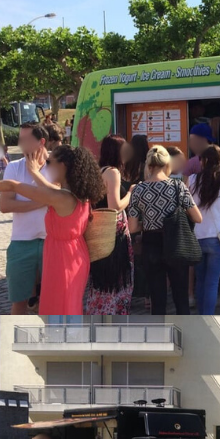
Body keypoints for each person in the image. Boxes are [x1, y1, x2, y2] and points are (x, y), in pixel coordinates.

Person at [0, 145, 99, 315]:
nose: (47, 166)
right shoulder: (77, 193)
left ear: (63, 166)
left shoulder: (60, 197)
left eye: (50, 161)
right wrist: (35, 172)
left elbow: (13, 186)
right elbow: (48, 189)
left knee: (59, 306)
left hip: (62, 257)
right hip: (74, 253)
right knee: (69, 304)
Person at [127, 146, 202, 315]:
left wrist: (147, 223)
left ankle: (159, 338)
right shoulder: (178, 186)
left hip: (151, 244)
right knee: (181, 298)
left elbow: (132, 227)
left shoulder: (138, 189)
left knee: (157, 300)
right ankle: (185, 338)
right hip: (176, 243)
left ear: (149, 165)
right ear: (167, 164)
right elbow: (197, 217)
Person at [89, 135, 134, 315]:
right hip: (115, 233)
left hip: (99, 232)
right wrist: (130, 193)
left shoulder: (98, 171)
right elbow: (114, 206)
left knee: (101, 281)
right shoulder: (113, 172)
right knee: (118, 280)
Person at [189, 145, 220, 315]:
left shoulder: (192, 180)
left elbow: (187, 208)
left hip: (197, 236)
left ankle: (201, 315)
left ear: (203, 161)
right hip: (217, 238)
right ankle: (207, 317)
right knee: (212, 283)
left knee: (200, 280)